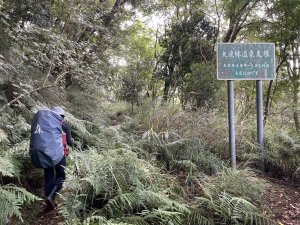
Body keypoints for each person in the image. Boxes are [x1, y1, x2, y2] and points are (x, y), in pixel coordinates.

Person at [44, 106, 74, 209]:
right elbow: (69, 142)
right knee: (61, 175)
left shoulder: (46, 124)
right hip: (59, 154)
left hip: (46, 154)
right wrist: (72, 141)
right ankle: (51, 196)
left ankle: (48, 200)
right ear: (62, 116)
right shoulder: (64, 125)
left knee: (48, 176)